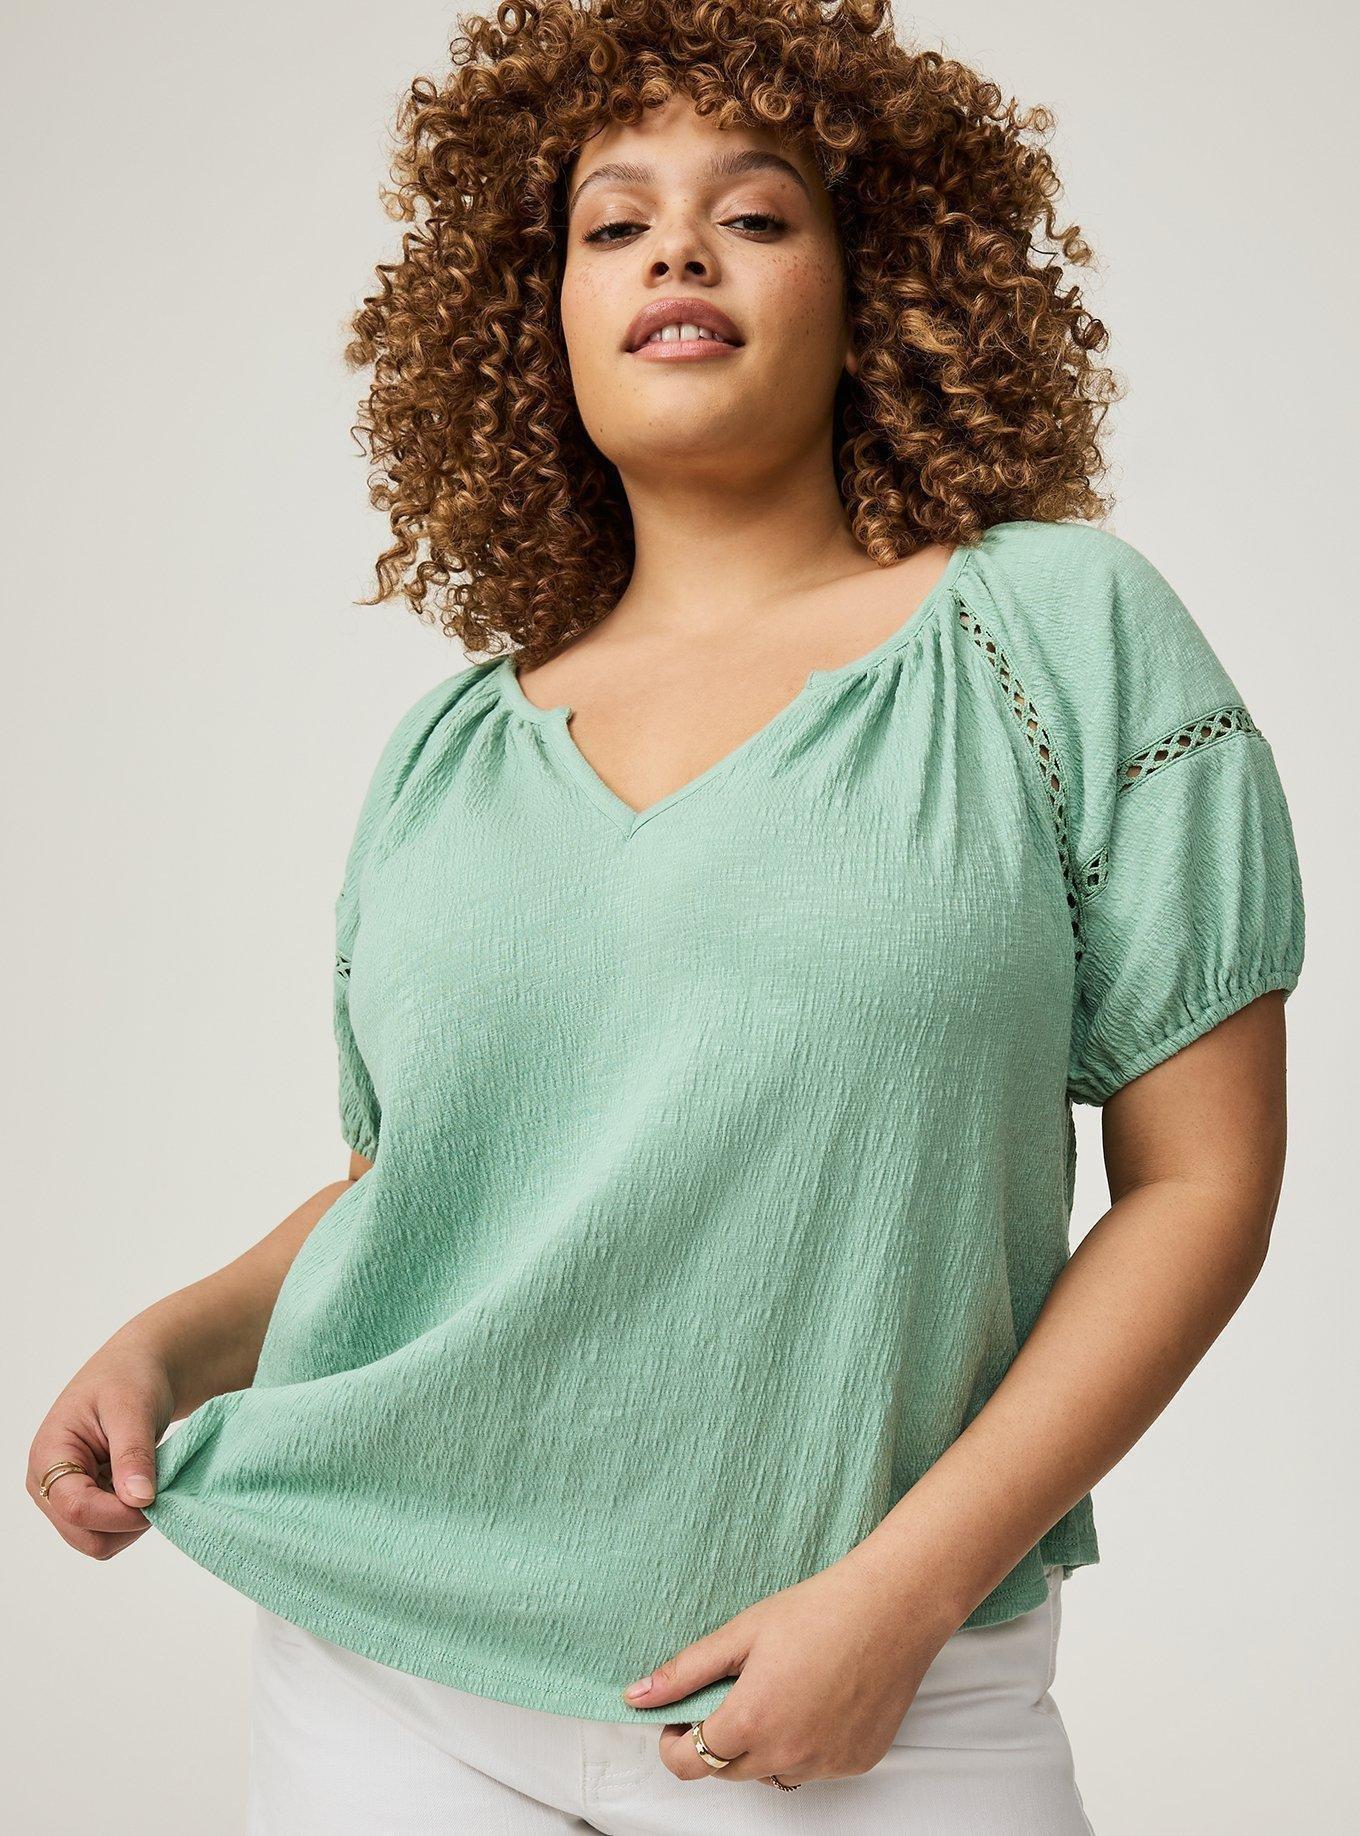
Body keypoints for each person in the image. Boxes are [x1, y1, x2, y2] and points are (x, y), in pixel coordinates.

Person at [28, 3, 1306, 1830]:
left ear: (878, 290)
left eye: (756, 215)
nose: (677, 253)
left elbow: (1202, 1185)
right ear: (533, 317)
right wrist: (175, 1341)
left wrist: (904, 1595)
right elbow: (433, 1192)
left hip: (866, 1691)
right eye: (613, 224)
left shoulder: (1054, 635)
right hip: (384, 1667)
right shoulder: (449, 754)